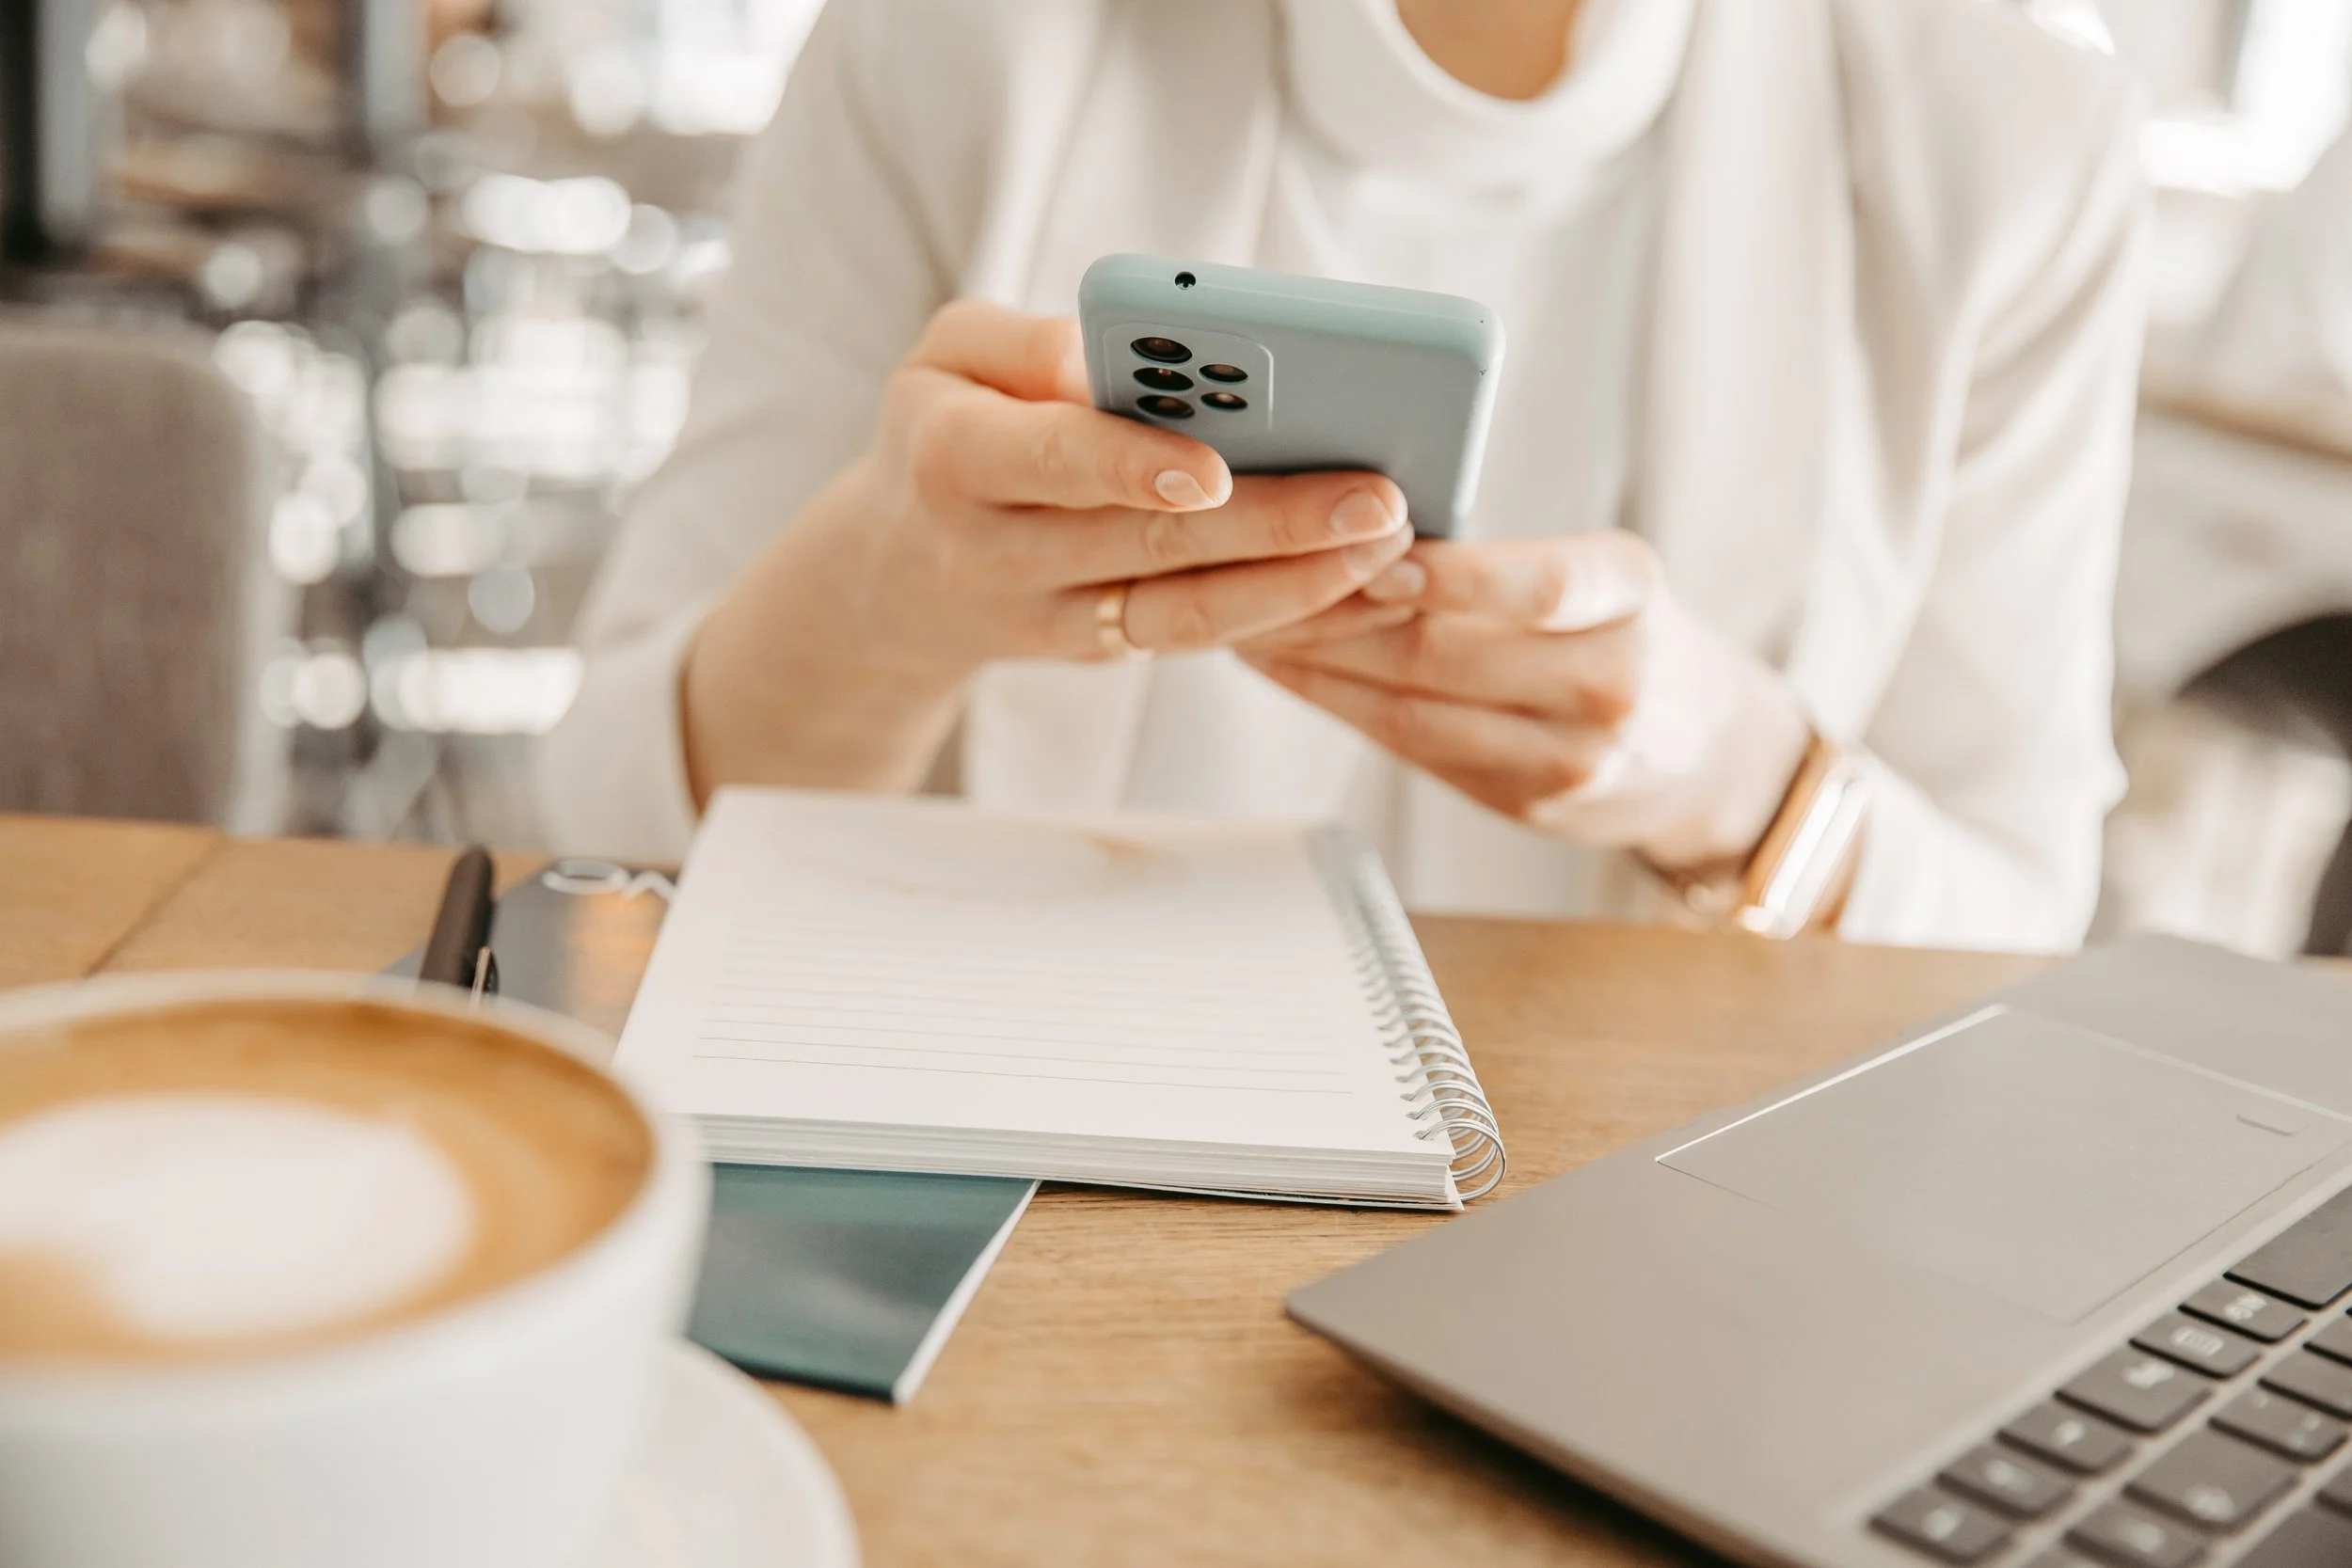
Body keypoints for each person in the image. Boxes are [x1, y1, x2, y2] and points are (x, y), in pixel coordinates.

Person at [538, 0, 2149, 951]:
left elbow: (2015, 928)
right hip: (1001, 1191)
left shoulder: (2007, 120)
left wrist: (1741, 780)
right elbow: (602, 829)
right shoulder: (954, 39)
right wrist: (880, 610)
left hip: (1657, 1234)